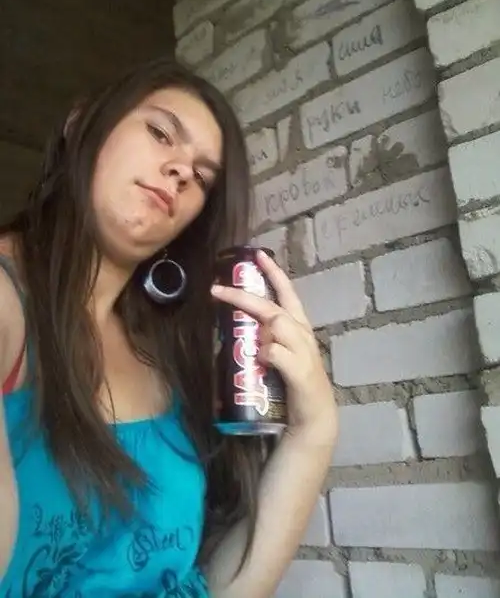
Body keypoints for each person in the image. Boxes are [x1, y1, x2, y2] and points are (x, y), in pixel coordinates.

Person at [0, 58, 338, 597]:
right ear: (80, 124)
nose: (181, 170)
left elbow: (213, 589)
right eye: (160, 133)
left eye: (201, 177)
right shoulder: (8, 304)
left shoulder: (164, 355)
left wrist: (314, 429)